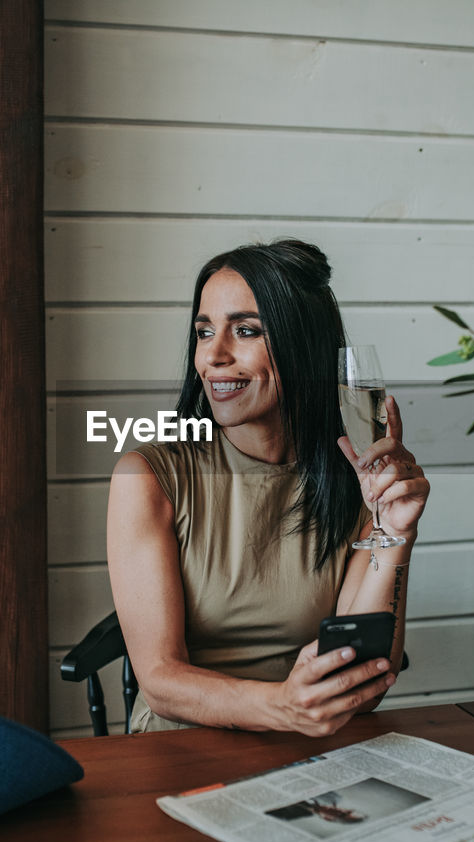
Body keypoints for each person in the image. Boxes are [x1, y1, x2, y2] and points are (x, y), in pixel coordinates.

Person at [106, 239, 430, 735]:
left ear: (304, 345)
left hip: (308, 743)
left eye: (245, 330)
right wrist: (281, 705)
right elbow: (160, 681)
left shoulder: (357, 479)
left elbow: (363, 679)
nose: (212, 356)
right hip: (177, 749)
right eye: (204, 332)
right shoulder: (150, 476)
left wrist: (395, 533)